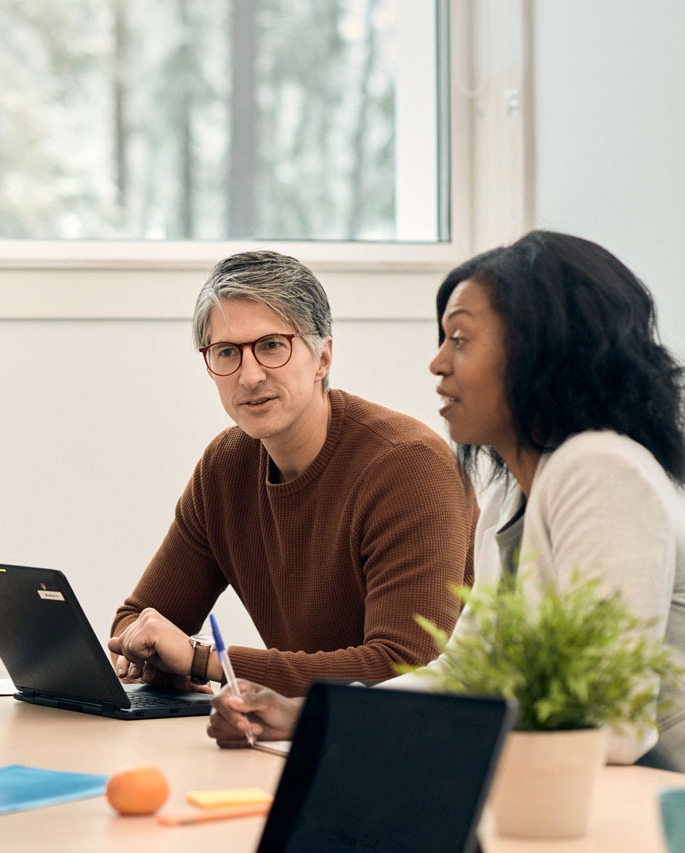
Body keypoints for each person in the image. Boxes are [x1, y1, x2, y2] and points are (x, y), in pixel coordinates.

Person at [209, 230, 685, 771]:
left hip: (651, 799)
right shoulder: (512, 493)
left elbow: (610, 727)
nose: (437, 364)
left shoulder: (600, 470)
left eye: (459, 340)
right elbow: (462, 673)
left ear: (539, 350)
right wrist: (310, 715)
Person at [107, 250, 478, 699]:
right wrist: (148, 657)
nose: (249, 376)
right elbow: (139, 620)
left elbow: (399, 668)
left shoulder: (408, 466)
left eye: (271, 346)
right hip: (293, 735)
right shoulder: (226, 466)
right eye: (226, 352)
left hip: (418, 742)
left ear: (322, 357)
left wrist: (206, 662)